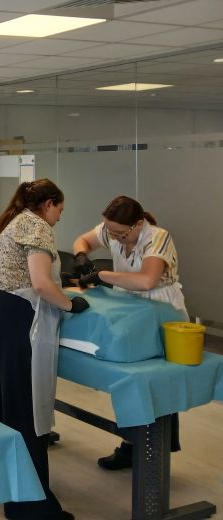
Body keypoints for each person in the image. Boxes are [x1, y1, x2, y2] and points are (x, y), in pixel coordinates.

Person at [0, 179, 89, 520]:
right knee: (25, 409)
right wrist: (70, 305)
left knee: (3, 403)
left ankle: (10, 490)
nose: (59, 217)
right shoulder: (37, 226)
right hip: (19, 320)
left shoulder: (10, 221)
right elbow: (42, 284)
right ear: (49, 204)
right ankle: (32, 507)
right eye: (59, 209)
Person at [72, 195, 187, 470]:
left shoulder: (158, 237)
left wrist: (101, 275)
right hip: (129, 309)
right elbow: (83, 240)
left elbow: (147, 280)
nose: (114, 237)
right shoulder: (112, 230)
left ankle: (150, 449)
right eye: (110, 231)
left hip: (159, 310)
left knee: (154, 381)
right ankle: (132, 444)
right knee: (128, 380)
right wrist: (81, 255)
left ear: (137, 225)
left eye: (120, 233)